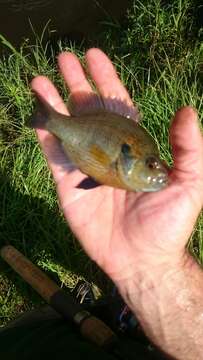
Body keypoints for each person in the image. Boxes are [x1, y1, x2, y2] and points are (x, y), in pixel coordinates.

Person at [1, 48, 203, 359]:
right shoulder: (117, 161)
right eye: (152, 164)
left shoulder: (124, 167)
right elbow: (96, 157)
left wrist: (154, 266)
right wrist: (156, 271)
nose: (160, 173)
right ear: (131, 158)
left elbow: (97, 161)